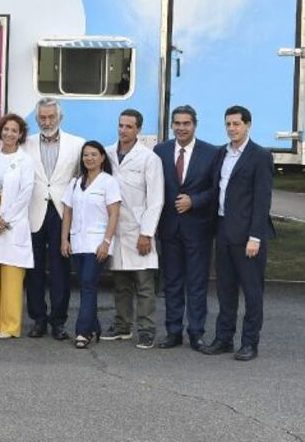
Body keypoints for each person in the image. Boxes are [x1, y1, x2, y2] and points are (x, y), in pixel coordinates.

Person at [202, 106, 275, 362]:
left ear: (248, 125)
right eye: (228, 124)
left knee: (252, 292)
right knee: (225, 290)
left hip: (248, 237)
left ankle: (249, 343)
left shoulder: (260, 156)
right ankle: (223, 339)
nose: (232, 128)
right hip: (222, 231)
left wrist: (256, 236)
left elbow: (262, 199)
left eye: (236, 124)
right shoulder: (221, 153)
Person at [153, 105, 218, 351]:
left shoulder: (211, 153)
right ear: (172, 125)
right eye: (177, 123)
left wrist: (195, 200)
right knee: (172, 282)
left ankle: (196, 333)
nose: (181, 128)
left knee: (197, 283)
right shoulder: (160, 151)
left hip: (198, 229)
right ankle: (173, 332)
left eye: (186, 123)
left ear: (194, 125)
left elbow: (216, 189)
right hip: (169, 229)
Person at [22, 97, 84, 341]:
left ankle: (59, 321)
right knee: (34, 270)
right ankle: (38, 319)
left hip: (63, 212)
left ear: (60, 118)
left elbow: (81, 178)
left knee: (60, 269)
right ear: (36, 119)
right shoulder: (25, 144)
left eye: (51, 117)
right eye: (42, 118)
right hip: (33, 211)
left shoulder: (77, 144)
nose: (47, 122)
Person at [102, 110, 164, 349]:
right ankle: (121, 327)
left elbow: (156, 199)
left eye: (129, 126)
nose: (123, 130)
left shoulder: (149, 158)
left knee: (145, 286)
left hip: (138, 230)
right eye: (120, 125)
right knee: (121, 283)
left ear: (138, 129)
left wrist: (146, 233)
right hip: (115, 229)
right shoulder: (107, 153)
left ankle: (147, 330)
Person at [60, 140, 121, 349]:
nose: (89, 158)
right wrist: (64, 239)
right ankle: (94, 326)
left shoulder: (108, 182)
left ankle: (82, 332)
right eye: (86, 155)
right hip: (77, 243)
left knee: (88, 284)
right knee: (86, 285)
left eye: (94, 154)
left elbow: (114, 214)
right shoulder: (76, 182)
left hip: (97, 244)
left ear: (102, 157)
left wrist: (106, 242)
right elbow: (67, 211)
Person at [0, 114, 35, 339]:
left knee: (12, 278)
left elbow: (25, 194)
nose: (9, 134)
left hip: (13, 224)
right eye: (6, 129)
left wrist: (5, 220)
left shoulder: (26, 161)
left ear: (20, 134)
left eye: (14, 130)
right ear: (0, 131)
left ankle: (10, 325)